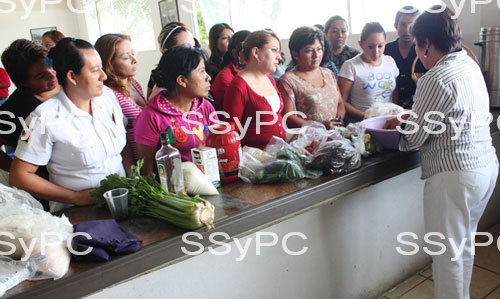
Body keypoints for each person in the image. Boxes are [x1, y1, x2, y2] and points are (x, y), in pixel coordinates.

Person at [384, 6, 498, 298]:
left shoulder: (435, 77)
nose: (420, 53)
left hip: (454, 175)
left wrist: (396, 125)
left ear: (426, 43)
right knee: (463, 246)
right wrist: (417, 117)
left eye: (419, 45)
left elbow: (414, 139)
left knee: (446, 256)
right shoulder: (468, 63)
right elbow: (447, 115)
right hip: (484, 166)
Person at [9, 38, 128, 213]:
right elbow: (19, 176)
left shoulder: (107, 97)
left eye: (101, 68)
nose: (104, 76)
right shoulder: (41, 118)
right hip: (80, 212)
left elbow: (122, 146)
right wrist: (76, 197)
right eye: (95, 71)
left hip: (121, 201)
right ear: (72, 76)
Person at [135, 46, 218, 175]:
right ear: (182, 80)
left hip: (211, 180)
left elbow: (218, 144)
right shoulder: (151, 117)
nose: (208, 77)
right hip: (175, 189)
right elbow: (146, 170)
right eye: (201, 72)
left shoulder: (205, 106)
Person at [0, 39, 60, 174]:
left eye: (51, 66)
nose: (52, 75)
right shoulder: (14, 110)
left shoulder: (70, 84)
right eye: (41, 76)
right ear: (23, 82)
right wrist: (19, 172)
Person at [223, 30, 287, 149]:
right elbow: (231, 132)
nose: (279, 57)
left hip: (279, 154)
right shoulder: (238, 87)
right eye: (274, 50)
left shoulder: (270, 79)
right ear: (256, 52)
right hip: (255, 161)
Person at [95, 33, 146, 168]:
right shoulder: (109, 95)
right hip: (134, 164)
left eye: (133, 53)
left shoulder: (133, 83)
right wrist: (131, 174)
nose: (134, 60)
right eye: (125, 57)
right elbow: (119, 139)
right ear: (109, 64)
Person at [277, 26, 345, 129]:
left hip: (335, 133)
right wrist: (320, 126)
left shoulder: (328, 73)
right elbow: (288, 117)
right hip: (307, 140)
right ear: (295, 54)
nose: (316, 55)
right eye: (309, 51)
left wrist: (337, 121)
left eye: (319, 49)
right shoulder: (288, 80)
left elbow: (340, 103)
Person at [338, 22, 399, 123]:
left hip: (388, 122)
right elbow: (341, 101)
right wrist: (367, 117)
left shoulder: (390, 61)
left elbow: (395, 91)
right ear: (361, 44)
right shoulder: (351, 66)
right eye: (371, 47)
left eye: (380, 46)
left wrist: (394, 113)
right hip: (362, 123)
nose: (376, 51)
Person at [384, 6, 426, 109]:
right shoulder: (385, 50)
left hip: (418, 107)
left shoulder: (426, 52)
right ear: (395, 26)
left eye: (412, 25)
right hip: (388, 106)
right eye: (403, 24)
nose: (407, 30)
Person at [147, 22, 196, 99]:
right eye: (186, 48)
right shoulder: (160, 84)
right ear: (167, 52)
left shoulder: (197, 70)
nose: (194, 52)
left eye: (194, 46)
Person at [211, 30, 251, 111]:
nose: (256, 54)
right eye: (250, 49)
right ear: (235, 52)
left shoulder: (262, 74)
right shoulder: (225, 79)